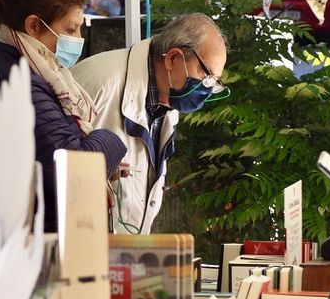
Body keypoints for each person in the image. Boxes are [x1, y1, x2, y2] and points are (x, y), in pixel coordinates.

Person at [0, 0, 126, 263]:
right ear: (34, 26)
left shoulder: (26, 73)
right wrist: (111, 140)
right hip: (18, 255)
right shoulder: (18, 81)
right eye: (70, 29)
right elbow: (74, 164)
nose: (78, 37)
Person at [72, 13, 227, 234]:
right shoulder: (100, 82)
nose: (208, 88)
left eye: (215, 81)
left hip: (124, 253)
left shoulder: (168, 102)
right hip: (77, 245)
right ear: (173, 58)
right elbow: (49, 161)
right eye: (206, 75)